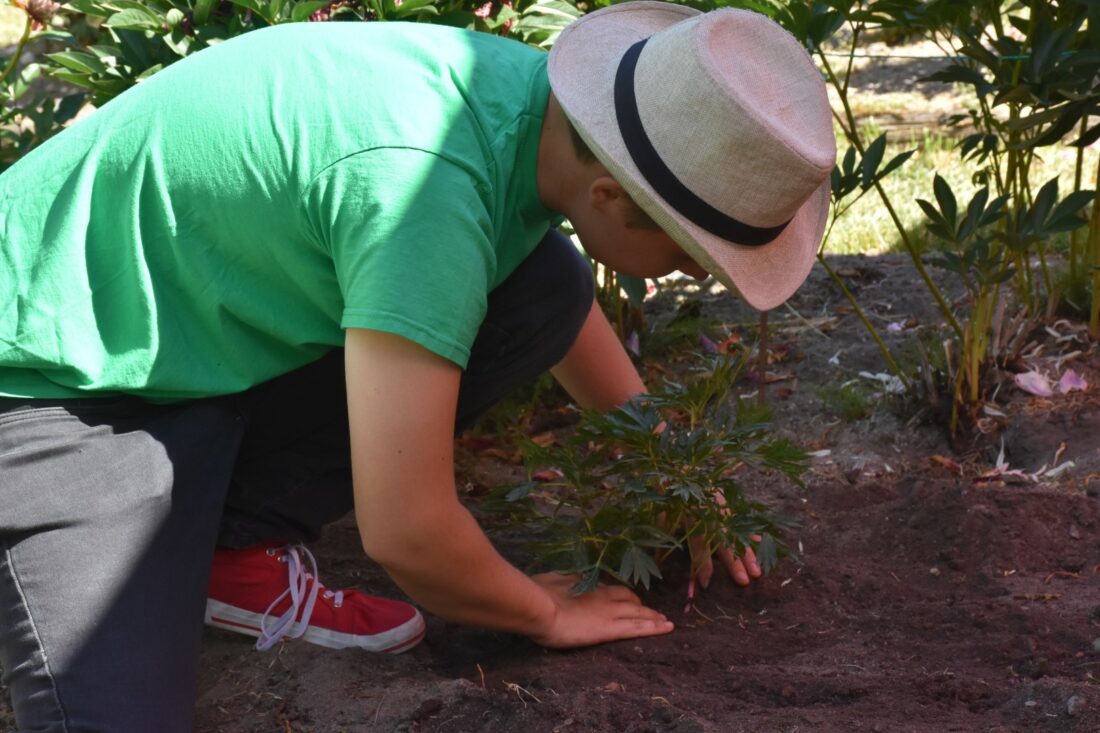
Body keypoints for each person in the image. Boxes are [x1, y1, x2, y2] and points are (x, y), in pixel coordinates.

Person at [0, 1, 835, 730]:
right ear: (611, 196)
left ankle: (227, 544)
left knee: (544, 284)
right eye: (693, 253)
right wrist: (545, 612)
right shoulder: (424, 196)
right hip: (51, 381)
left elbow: (563, 313)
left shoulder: (520, 103)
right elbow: (405, 530)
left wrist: (667, 466)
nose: (698, 274)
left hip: (181, 333)